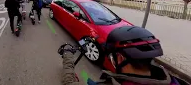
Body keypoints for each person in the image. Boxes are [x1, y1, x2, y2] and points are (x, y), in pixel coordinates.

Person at [59, 26, 189, 85]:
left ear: (120, 58)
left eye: (112, 56)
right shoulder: (174, 80)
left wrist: (68, 56)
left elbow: (68, 81)